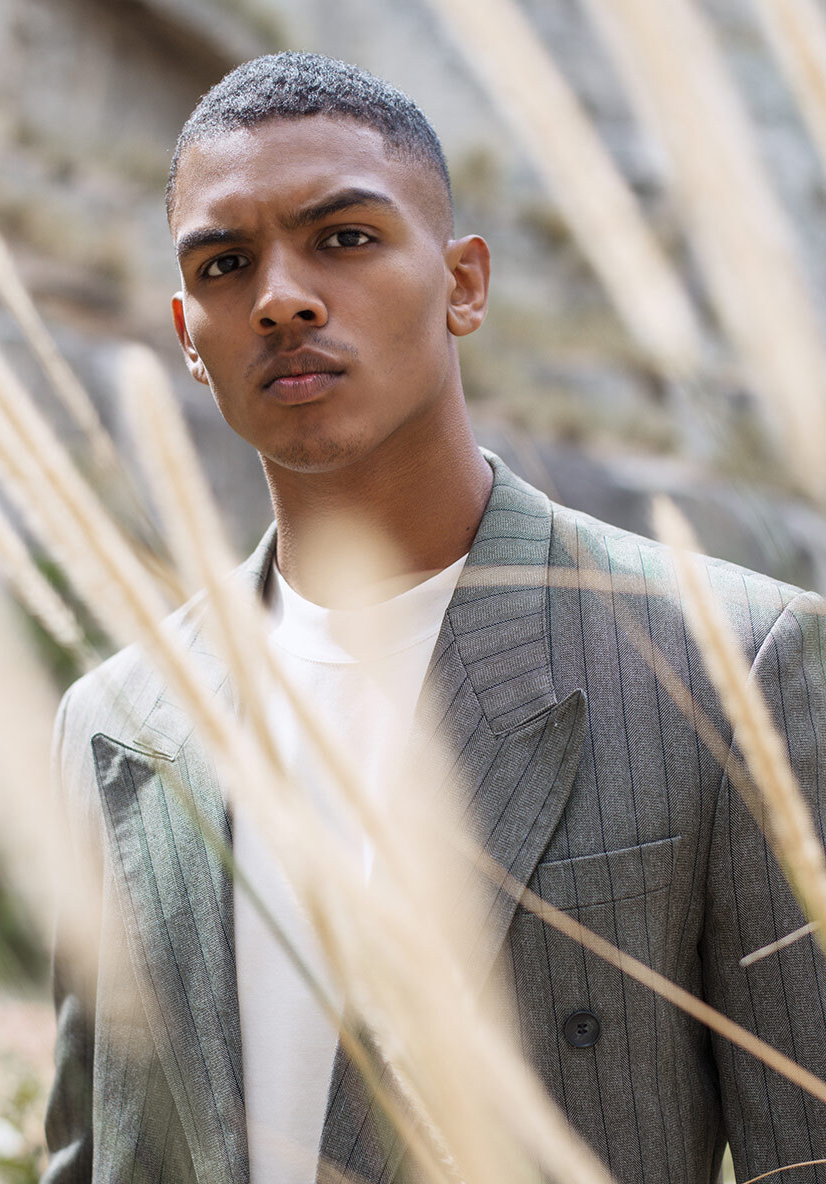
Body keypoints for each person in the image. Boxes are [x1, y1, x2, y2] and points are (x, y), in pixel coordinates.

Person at [43, 52, 826, 1184]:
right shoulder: (116, 722)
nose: (281, 297)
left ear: (462, 282)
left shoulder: (727, 664)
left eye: (344, 237)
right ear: (187, 335)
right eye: (225, 264)